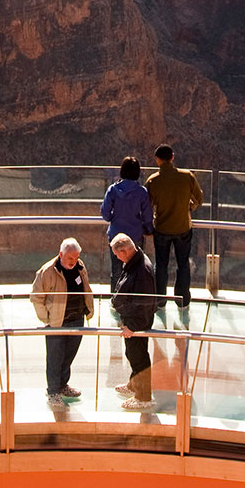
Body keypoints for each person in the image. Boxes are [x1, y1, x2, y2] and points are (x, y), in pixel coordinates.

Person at [31, 238, 94, 408]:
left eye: (76, 258)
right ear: (61, 255)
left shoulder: (80, 266)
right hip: (57, 322)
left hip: (77, 319)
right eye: (69, 259)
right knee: (55, 358)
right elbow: (36, 297)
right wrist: (47, 318)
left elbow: (86, 288)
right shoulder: (47, 271)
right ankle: (53, 392)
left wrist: (88, 309)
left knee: (68, 356)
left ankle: (62, 385)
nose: (73, 262)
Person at [144, 144, 203, 314]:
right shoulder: (187, 177)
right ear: (173, 157)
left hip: (162, 228)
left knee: (161, 265)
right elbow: (199, 198)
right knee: (183, 263)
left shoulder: (153, 180)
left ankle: (160, 300)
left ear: (157, 160)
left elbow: (147, 206)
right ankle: (182, 300)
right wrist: (188, 207)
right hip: (183, 228)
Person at [110, 232, 161, 410]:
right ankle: (134, 385)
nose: (117, 259)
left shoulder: (141, 270)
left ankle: (143, 397)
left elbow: (144, 303)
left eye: (117, 255)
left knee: (138, 357)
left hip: (136, 323)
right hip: (133, 320)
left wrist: (132, 326)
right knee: (133, 354)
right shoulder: (134, 262)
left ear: (124, 251)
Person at [100, 157, 153, 290]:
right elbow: (147, 215)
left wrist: (114, 218)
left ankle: (116, 299)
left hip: (116, 233)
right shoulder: (142, 192)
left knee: (117, 270)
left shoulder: (113, 190)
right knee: (136, 269)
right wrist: (148, 228)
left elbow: (105, 213)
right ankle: (134, 297)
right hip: (135, 235)